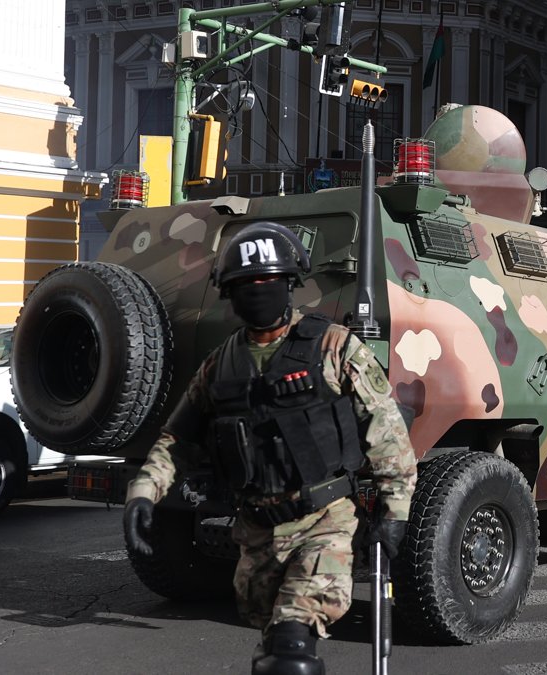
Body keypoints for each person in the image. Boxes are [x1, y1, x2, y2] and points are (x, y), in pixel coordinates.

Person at [122, 221, 417, 675]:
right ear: (230, 292)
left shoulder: (333, 347)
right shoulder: (222, 364)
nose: (258, 291)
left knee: (290, 653)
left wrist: (394, 515)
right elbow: (177, 440)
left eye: (268, 282)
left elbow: (388, 434)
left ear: (289, 285)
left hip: (324, 523)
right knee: (270, 649)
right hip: (256, 532)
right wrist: (143, 494)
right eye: (246, 284)